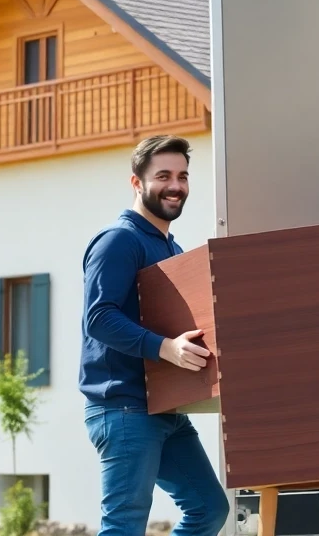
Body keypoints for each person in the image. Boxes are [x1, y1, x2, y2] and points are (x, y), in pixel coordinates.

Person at [80, 135, 230, 536]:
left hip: (165, 408)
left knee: (209, 509)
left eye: (182, 176)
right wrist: (165, 348)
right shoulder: (118, 240)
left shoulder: (170, 247)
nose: (175, 185)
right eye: (163, 175)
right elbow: (98, 317)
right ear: (137, 183)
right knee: (124, 526)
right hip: (124, 409)